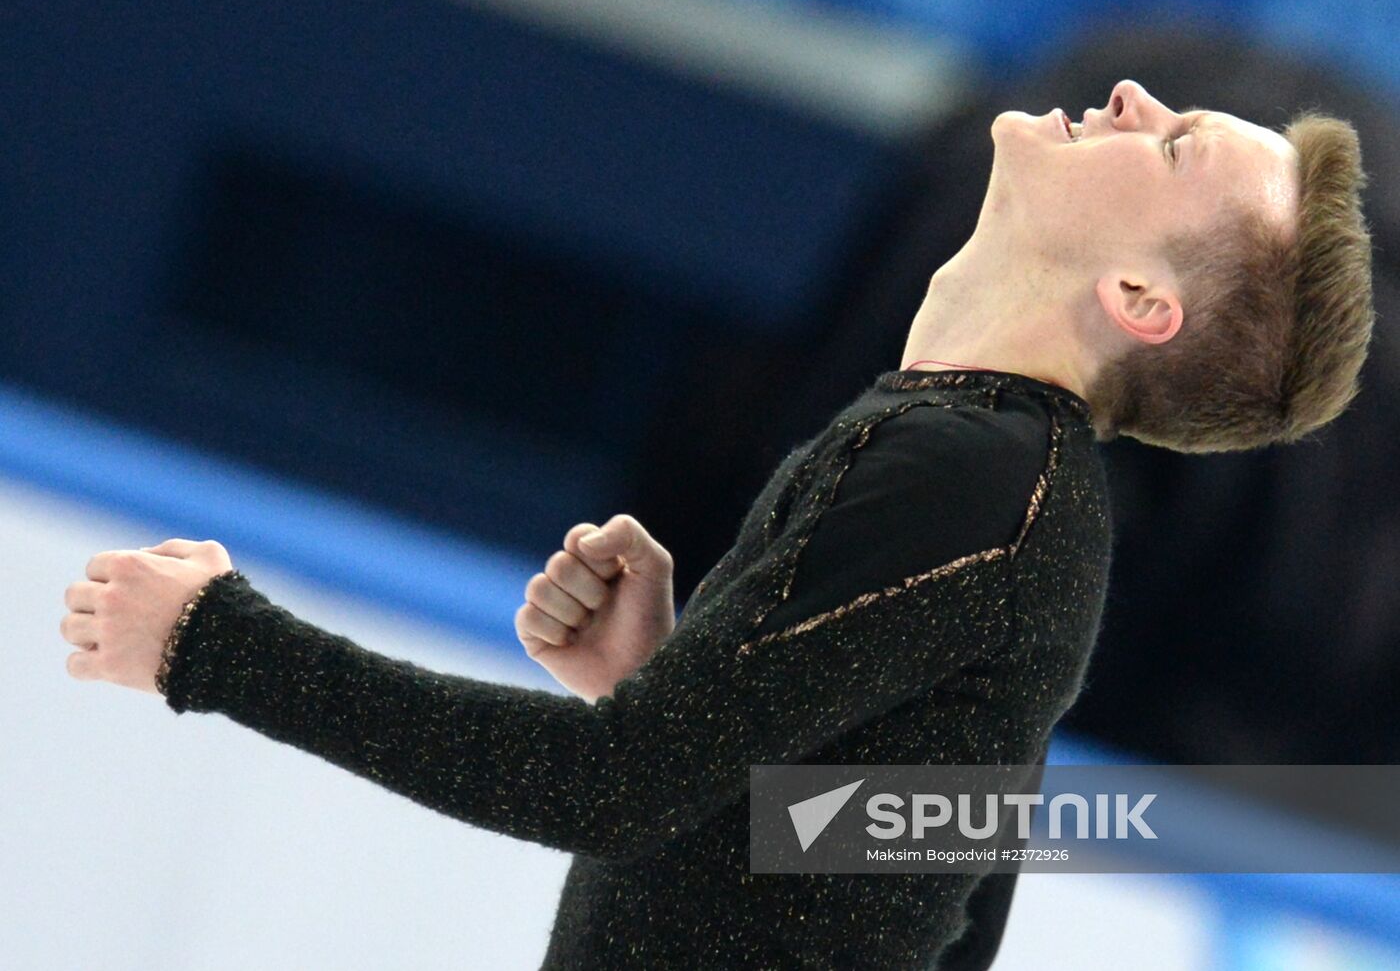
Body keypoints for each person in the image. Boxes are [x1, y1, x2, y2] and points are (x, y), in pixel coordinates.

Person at [59, 80, 1374, 968]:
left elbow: (610, 791)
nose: (1136, 95)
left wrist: (213, 646)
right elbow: (910, 875)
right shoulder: (1015, 488)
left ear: (1140, 293)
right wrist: (677, 685)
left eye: (1176, 141)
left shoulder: (975, 478)